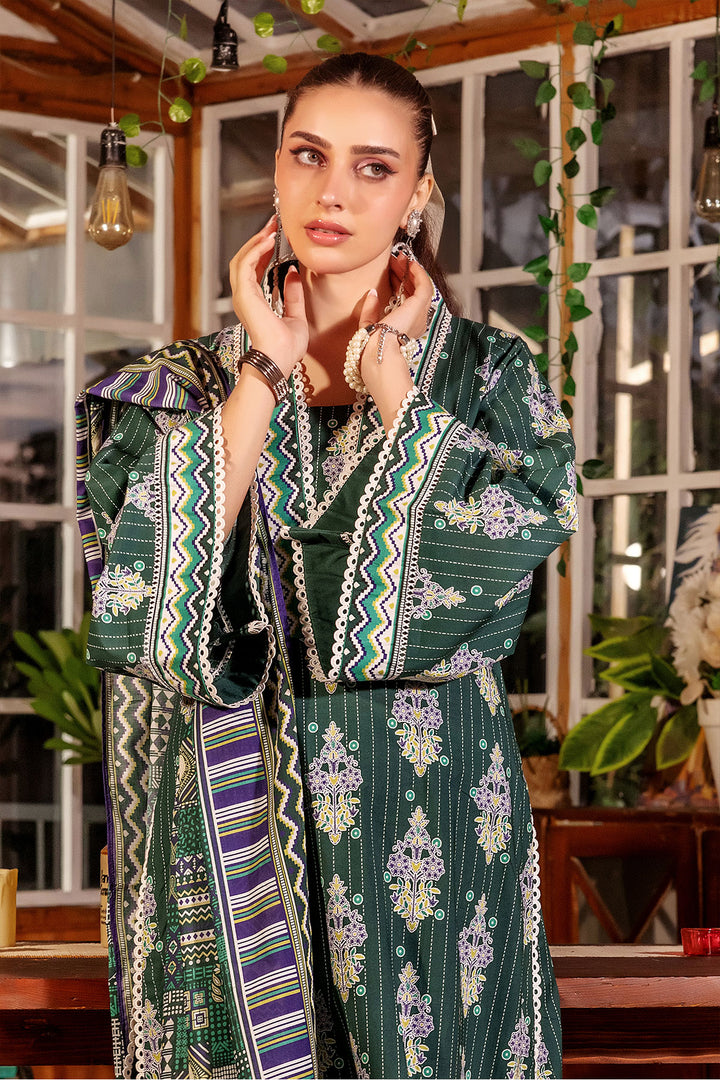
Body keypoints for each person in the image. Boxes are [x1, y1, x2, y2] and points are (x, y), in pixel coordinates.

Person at [76, 51, 576, 1080]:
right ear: (277, 171)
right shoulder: (175, 389)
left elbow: (498, 574)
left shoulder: (488, 377)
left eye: (373, 166)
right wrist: (262, 373)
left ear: (418, 193)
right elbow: (137, 602)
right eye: (308, 155)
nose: (334, 192)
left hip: (428, 835)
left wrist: (396, 388)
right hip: (225, 848)